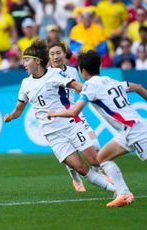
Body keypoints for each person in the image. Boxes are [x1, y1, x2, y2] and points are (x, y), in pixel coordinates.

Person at [3, 39, 116, 203]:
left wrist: (96, 92)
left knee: (94, 160)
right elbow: (19, 109)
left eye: (26, 60)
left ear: (37, 61)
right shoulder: (25, 83)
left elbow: (77, 86)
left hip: (71, 124)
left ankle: (120, 190)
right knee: (80, 168)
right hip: (51, 134)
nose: (24, 63)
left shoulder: (54, 74)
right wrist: (11, 116)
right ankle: (115, 190)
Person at [47, 50, 147, 207]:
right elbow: (139, 87)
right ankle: (124, 193)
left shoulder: (90, 87)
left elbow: (74, 112)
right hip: (128, 130)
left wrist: (55, 113)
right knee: (102, 158)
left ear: (82, 70)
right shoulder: (110, 80)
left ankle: (124, 193)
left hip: (136, 131)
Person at [48, 40, 104, 192]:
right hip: (60, 118)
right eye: (51, 54)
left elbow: (81, 90)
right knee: (71, 153)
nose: (55, 57)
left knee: (96, 146)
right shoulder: (46, 74)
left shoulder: (73, 71)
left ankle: (99, 174)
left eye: (58, 53)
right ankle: (76, 179)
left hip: (76, 115)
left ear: (64, 54)